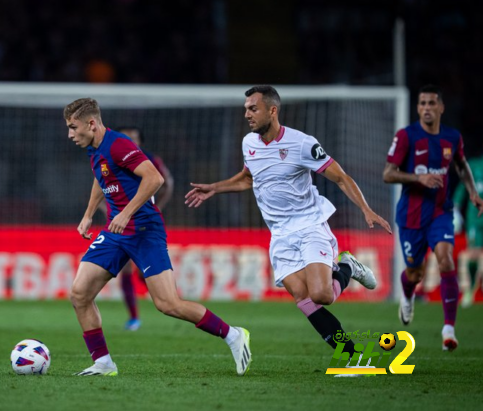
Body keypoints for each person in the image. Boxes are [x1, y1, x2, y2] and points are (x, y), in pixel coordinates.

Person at [185, 85, 391, 374]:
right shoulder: (249, 143)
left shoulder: (303, 144)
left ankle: (346, 265)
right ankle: (352, 354)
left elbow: (341, 177)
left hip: (309, 225)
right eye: (245, 108)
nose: (247, 114)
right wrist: (215, 188)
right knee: (303, 299)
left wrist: (366, 209)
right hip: (279, 234)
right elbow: (248, 178)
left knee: (322, 295)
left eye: (253, 108)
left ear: (272, 110)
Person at [64, 98, 250, 377]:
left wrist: (125, 213)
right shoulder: (94, 147)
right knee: (79, 294)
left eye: (72, 127)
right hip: (116, 233)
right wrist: (89, 214)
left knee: (167, 304)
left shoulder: (118, 144)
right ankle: (103, 362)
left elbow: (155, 179)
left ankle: (233, 335)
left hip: (143, 230)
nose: (70, 134)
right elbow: (100, 177)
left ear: (91, 124)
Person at [383, 85, 483, 351]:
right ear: (418, 108)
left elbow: (461, 165)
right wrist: (418, 178)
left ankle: (448, 329)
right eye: (422, 103)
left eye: (431, 103)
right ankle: (407, 295)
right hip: (411, 216)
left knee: (446, 259)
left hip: (441, 212)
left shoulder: (452, 137)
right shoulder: (406, 136)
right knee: (414, 273)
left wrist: (473, 192)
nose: (426, 107)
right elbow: (388, 174)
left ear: (441, 108)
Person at [114, 126, 174, 331]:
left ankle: (169, 298)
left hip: (143, 221)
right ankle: (133, 317)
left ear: (139, 142)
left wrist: (158, 206)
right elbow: (101, 186)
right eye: (125, 138)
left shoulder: (149, 160)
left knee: (142, 269)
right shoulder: (112, 160)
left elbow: (167, 182)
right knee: (126, 267)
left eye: (134, 138)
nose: (130, 141)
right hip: (121, 222)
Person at [453, 153, 483, 307]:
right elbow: (462, 188)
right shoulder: (474, 164)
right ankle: (471, 289)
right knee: (473, 254)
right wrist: (456, 209)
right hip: (475, 218)